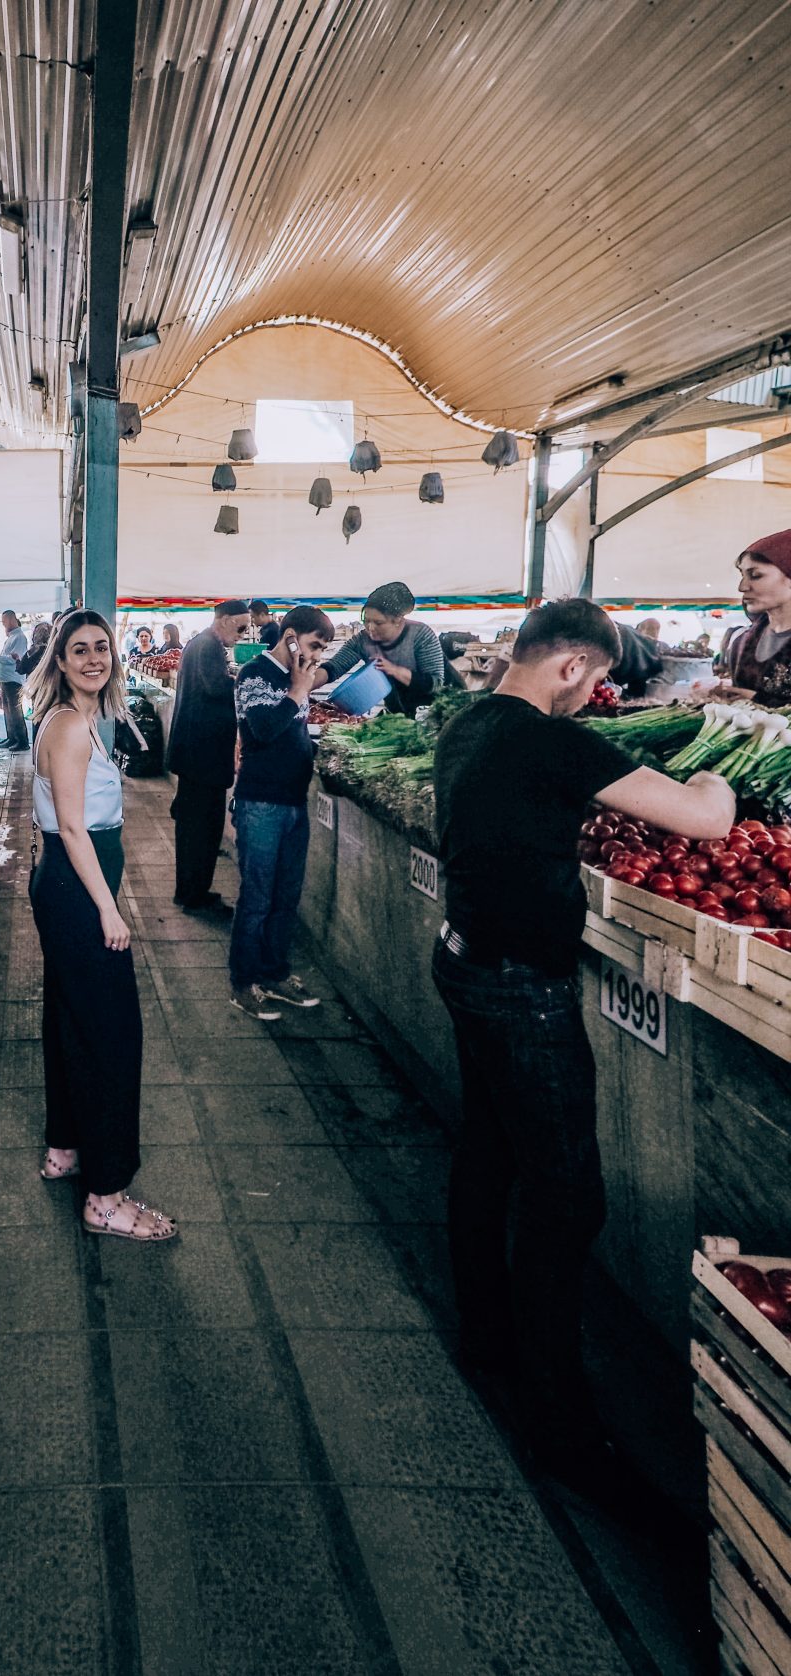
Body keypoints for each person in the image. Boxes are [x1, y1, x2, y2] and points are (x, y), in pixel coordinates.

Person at [433, 598, 734, 1494]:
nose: (594, 694)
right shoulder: (554, 740)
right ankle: (558, 1420)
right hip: (521, 986)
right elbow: (702, 821)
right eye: (597, 679)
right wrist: (719, 771)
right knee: (568, 1197)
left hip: (463, 960)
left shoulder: (473, 720)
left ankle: (487, 1337)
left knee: (489, 1156)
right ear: (572, 667)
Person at [23, 609, 177, 1242]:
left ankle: (66, 1149)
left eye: (102, 648)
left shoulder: (82, 721)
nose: (93, 658)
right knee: (112, 1036)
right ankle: (106, 1195)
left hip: (65, 886)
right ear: (59, 661)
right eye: (79, 650)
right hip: (76, 891)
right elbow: (72, 825)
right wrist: (109, 910)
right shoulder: (67, 728)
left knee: (71, 1020)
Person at [228, 606, 335, 1019]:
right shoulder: (255, 674)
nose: (314, 657)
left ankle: (275, 973)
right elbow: (262, 729)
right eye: (312, 646)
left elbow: (293, 733)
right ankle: (244, 982)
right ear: (290, 636)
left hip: (293, 803)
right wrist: (297, 690)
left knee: (285, 897)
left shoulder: (300, 678)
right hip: (261, 804)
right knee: (256, 897)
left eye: (321, 651)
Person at [165, 599, 250, 910]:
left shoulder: (201, 643)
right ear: (225, 620)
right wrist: (244, 683)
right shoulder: (208, 646)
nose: (242, 634)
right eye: (240, 627)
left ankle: (191, 890)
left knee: (195, 827)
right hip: (202, 756)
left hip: (196, 754)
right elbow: (216, 689)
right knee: (202, 829)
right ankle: (193, 894)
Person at [313, 582, 444, 714]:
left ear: (397, 620)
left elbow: (436, 684)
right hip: (397, 713)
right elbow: (333, 668)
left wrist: (394, 670)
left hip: (433, 713)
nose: (370, 628)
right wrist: (302, 688)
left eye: (378, 622)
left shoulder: (420, 634)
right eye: (366, 620)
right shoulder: (362, 640)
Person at [719, 529, 791, 705]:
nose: (742, 587)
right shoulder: (741, 643)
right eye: (742, 576)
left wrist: (756, 699)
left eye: (755, 575)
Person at [0, 609, 30, 752]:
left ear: (11, 619)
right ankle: (12, 738)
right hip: (6, 679)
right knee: (8, 711)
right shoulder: (11, 637)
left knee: (15, 712)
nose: (3, 624)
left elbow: (12, 660)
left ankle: (22, 741)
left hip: (13, 680)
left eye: (4, 621)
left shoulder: (19, 637)